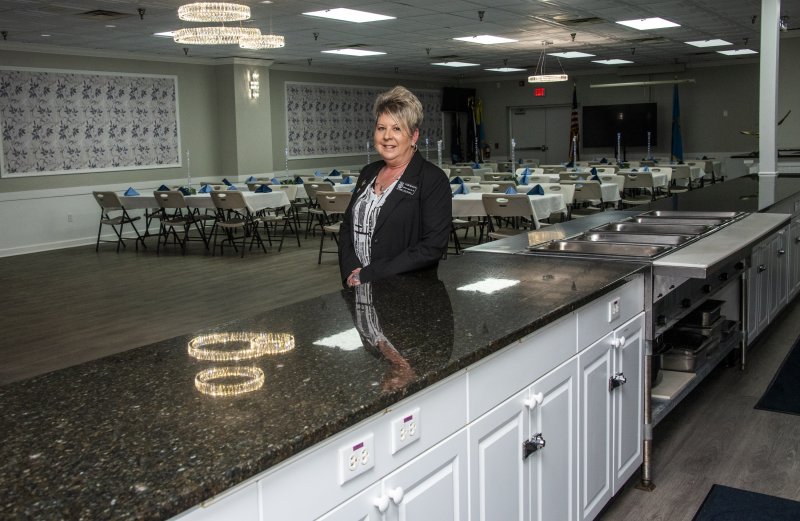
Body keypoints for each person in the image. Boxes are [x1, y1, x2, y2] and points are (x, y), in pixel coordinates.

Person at [338, 86, 452, 287]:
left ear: (414, 136)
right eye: (381, 128)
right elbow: (347, 227)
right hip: (357, 288)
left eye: (397, 128)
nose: (387, 136)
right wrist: (351, 272)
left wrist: (368, 273)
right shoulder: (368, 173)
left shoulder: (432, 179)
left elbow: (432, 247)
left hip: (408, 294)